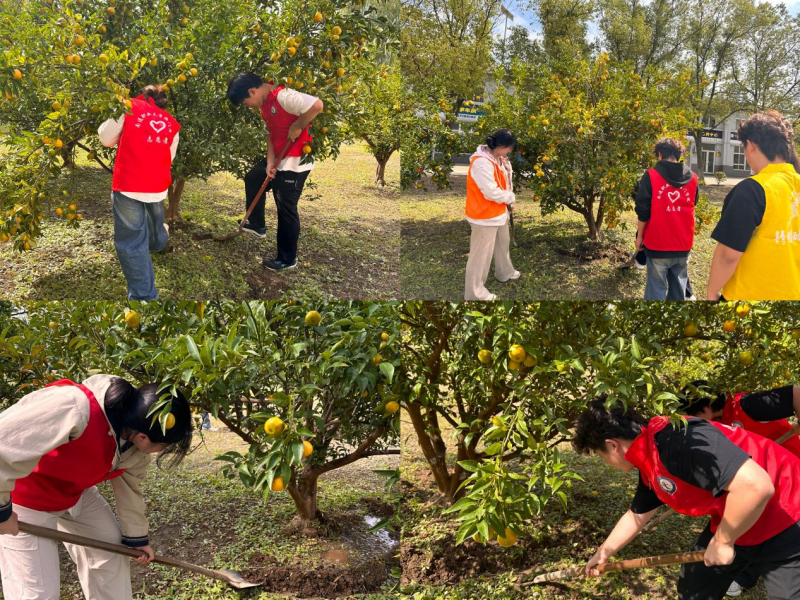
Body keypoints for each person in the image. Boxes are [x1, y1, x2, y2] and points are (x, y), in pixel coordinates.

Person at [574, 396, 800, 599]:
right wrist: (603, 553)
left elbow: (756, 486)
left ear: (611, 446)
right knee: (694, 587)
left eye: (599, 455)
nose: (605, 462)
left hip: (787, 512)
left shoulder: (679, 440)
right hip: (737, 515)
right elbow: (638, 513)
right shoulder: (650, 453)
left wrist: (723, 541)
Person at [0, 375, 193, 600]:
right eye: (164, 445)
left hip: (75, 492)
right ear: (143, 436)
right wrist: (3, 512)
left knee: (110, 550)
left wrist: (137, 539)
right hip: (26, 496)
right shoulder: (74, 407)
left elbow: (130, 488)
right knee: (38, 592)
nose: (161, 450)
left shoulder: (134, 448)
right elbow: (4, 444)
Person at [679, 380, 800, 597]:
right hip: (760, 485)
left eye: (694, 415)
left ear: (703, 408)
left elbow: (797, 393)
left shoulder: (746, 405)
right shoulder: (714, 426)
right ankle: (743, 575)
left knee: (776, 534)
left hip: (790, 480)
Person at [226, 73, 323, 272]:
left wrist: (297, 125)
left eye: (246, 102)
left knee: (285, 207)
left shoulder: (282, 95)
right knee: (254, 177)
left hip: (295, 161)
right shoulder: (264, 107)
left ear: (252, 91)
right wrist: (270, 164)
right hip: (279, 157)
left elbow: (317, 105)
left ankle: (287, 259)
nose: (248, 106)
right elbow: (270, 136)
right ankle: (257, 224)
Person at [707, 110, 800, 300]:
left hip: (751, 302)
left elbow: (728, 255)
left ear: (750, 145)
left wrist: (711, 292)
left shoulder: (752, 190)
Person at [98, 85, 179, 301]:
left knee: (132, 243)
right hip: (157, 185)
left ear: (143, 96)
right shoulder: (171, 122)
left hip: (130, 184)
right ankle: (159, 240)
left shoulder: (127, 107)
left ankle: (145, 296)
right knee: (154, 222)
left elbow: (106, 139)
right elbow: (169, 156)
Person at [634, 138, 698, 300]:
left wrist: (640, 236)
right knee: (678, 292)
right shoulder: (693, 178)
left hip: (658, 244)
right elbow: (692, 205)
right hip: (683, 244)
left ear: (660, 154)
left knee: (656, 290)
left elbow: (643, 211)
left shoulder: (651, 176)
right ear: (678, 155)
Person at [463, 129, 519, 301]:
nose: (509, 151)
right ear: (501, 146)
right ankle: (475, 293)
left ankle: (505, 272)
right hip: (484, 216)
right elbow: (490, 192)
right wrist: (509, 197)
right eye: (509, 148)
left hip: (498, 212)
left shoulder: (498, 159)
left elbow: (504, 183)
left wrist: (508, 203)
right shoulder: (482, 163)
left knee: (503, 243)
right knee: (480, 256)